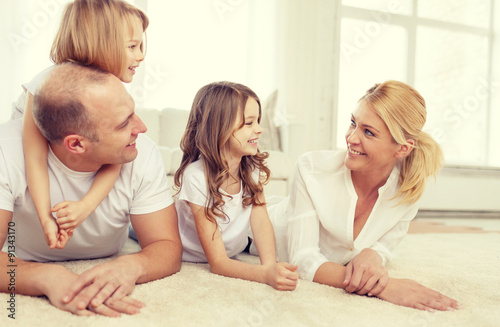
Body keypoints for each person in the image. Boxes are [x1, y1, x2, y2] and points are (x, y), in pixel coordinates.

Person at [0, 63, 182, 317]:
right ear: (76, 144)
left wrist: (133, 266)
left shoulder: (141, 152)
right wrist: (44, 276)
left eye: (133, 112)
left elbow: (167, 246)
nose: (141, 128)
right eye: (123, 124)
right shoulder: (6, 151)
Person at [270, 80, 461, 311]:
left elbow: (385, 246)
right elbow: (302, 259)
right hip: (248, 229)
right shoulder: (311, 169)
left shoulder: (408, 189)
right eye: (353, 123)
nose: (351, 138)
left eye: (368, 132)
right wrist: (383, 286)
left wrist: (373, 254)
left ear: (402, 149)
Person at [11, 0, 148, 250]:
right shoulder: (46, 86)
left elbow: (116, 155)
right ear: (100, 43)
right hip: (42, 165)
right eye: (132, 46)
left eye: (141, 45)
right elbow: (35, 158)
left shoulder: (109, 89)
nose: (141, 55)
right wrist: (45, 218)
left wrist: (85, 207)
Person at [174, 81, 298, 291]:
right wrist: (264, 275)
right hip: (193, 253)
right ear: (219, 128)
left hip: (233, 248)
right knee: (143, 230)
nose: (259, 129)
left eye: (258, 120)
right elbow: (219, 263)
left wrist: (270, 266)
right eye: (249, 123)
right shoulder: (195, 177)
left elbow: (260, 221)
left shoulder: (250, 169)